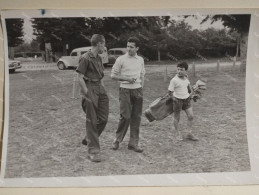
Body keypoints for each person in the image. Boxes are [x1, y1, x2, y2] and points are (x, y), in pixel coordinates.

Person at [76, 34, 109, 162]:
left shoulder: (99, 58)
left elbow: (100, 76)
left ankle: (88, 138)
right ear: (99, 43)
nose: (104, 47)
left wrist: (103, 90)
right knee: (91, 121)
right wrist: (87, 93)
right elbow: (79, 77)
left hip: (100, 88)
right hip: (89, 88)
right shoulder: (85, 58)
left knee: (103, 119)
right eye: (104, 44)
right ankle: (93, 152)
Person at [111, 37, 145, 153]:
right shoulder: (121, 59)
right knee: (125, 116)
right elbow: (113, 75)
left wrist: (141, 88)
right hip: (125, 90)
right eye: (128, 46)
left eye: (131, 47)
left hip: (138, 91)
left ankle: (133, 143)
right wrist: (127, 79)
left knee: (136, 118)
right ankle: (117, 140)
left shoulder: (140, 60)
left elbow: (142, 75)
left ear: (137, 48)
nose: (129, 49)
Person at [168, 62, 199, 141]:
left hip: (186, 100)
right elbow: (170, 93)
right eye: (178, 69)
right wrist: (175, 100)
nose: (179, 71)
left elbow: (190, 89)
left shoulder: (186, 78)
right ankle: (177, 134)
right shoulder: (174, 80)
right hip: (177, 100)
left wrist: (191, 95)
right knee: (177, 118)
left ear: (186, 71)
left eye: (181, 70)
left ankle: (189, 134)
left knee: (191, 116)